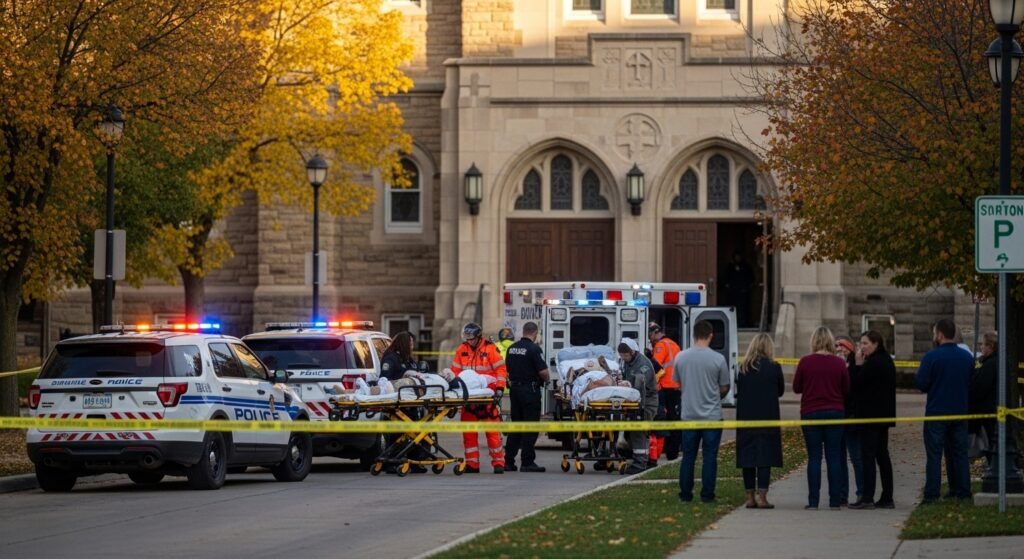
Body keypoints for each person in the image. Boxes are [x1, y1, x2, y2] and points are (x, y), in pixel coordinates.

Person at [673, 320, 731, 503]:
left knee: (688, 456)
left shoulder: (681, 357)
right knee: (709, 457)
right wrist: (714, 396)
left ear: (693, 335)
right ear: (711, 335)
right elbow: (724, 386)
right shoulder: (718, 359)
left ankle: (685, 494)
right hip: (712, 416)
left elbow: (677, 384)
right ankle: (707, 495)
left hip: (689, 415)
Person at [916, 319, 974, 502]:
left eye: (934, 333)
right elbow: (972, 382)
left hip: (937, 412)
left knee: (934, 455)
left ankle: (932, 494)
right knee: (959, 454)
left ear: (940, 334)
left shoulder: (931, 357)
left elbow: (921, 384)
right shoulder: (966, 357)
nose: (934, 336)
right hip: (960, 412)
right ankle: (962, 491)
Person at [793, 326, 849, 510]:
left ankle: (813, 500)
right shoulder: (839, 363)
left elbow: (796, 388)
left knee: (814, 457)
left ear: (814, 341)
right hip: (835, 411)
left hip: (811, 412)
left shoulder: (805, 362)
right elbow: (846, 389)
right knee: (834, 456)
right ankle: (835, 501)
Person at [451, 322, 509, 474]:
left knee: (492, 432)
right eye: (467, 338)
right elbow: (455, 372)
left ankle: (498, 463)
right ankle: (472, 464)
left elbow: (501, 369)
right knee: (469, 432)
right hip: (469, 397)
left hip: (486, 395)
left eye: (471, 339)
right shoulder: (461, 349)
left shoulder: (490, 348)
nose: (469, 341)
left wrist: (500, 388)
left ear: (478, 337)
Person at [735, 333, 784, 509]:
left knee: (747, 458)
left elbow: (738, 390)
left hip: (746, 418)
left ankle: (749, 496)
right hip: (767, 417)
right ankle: (762, 497)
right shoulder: (774, 367)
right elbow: (780, 391)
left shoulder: (743, 368)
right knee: (765, 457)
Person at [848, 330, 896, 510]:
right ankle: (886, 496)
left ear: (876, 344)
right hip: (882, 416)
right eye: (860, 343)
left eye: (865, 343)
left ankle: (867, 496)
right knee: (882, 455)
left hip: (871, 417)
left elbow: (855, 384)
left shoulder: (874, 363)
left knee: (868, 456)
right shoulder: (885, 360)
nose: (862, 347)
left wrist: (858, 365)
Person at [504, 321, 550, 473]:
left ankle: (508, 461)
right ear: (535, 333)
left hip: (515, 390)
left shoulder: (512, 348)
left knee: (516, 426)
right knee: (530, 426)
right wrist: (547, 380)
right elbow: (543, 372)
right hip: (529, 391)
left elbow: (508, 369)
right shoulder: (534, 349)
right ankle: (527, 462)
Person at [380, 332, 428, 473]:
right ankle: (391, 462)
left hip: (411, 403)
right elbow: (385, 381)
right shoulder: (391, 359)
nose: (412, 346)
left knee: (417, 431)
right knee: (397, 433)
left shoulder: (408, 360)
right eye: (411, 344)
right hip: (397, 403)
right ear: (404, 344)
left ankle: (416, 461)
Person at [617, 337, 658, 475]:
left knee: (638, 432)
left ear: (633, 352)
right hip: (634, 402)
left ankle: (640, 463)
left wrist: (627, 383)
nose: (624, 358)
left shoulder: (643, 364)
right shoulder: (627, 363)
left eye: (626, 355)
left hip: (647, 402)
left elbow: (640, 383)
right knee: (632, 432)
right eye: (622, 356)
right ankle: (640, 459)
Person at [834, 335, 863, 507]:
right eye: (836, 346)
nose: (839, 349)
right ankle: (841, 494)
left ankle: (862, 492)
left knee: (856, 456)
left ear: (850, 348)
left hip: (851, 416)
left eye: (843, 346)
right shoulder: (833, 365)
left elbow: (856, 388)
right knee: (839, 458)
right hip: (837, 415)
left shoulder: (855, 366)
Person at [648, 322, 682, 467]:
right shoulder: (674, 344)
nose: (650, 339)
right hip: (676, 387)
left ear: (656, 332)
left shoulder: (660, 346)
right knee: (675, 419)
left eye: (650, 335)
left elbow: (654, 366)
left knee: (663, 418)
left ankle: (668, 451)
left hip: (665, 387)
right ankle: (673, 451)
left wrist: (648, 356)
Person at [969, 331, 998, 467]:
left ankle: (993, 466)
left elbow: (980, 388)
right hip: (987, 409)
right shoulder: (987, 362)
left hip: (986, 410)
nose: (981, 347)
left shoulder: (990, 364)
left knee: (989, 442)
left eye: (983, 344)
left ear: (990, 346)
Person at [723, 251, 754, 327]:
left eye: (739, 256)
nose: (738, 258)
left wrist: (748, 286)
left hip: (743, 291)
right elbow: (725, 278)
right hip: (733, 292)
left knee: (743, 308)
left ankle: (744, 323)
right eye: (736, 256)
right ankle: (732, 322)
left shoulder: (746, 266)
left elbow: (751, 278)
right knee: (732, 307)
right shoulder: (730, 266)